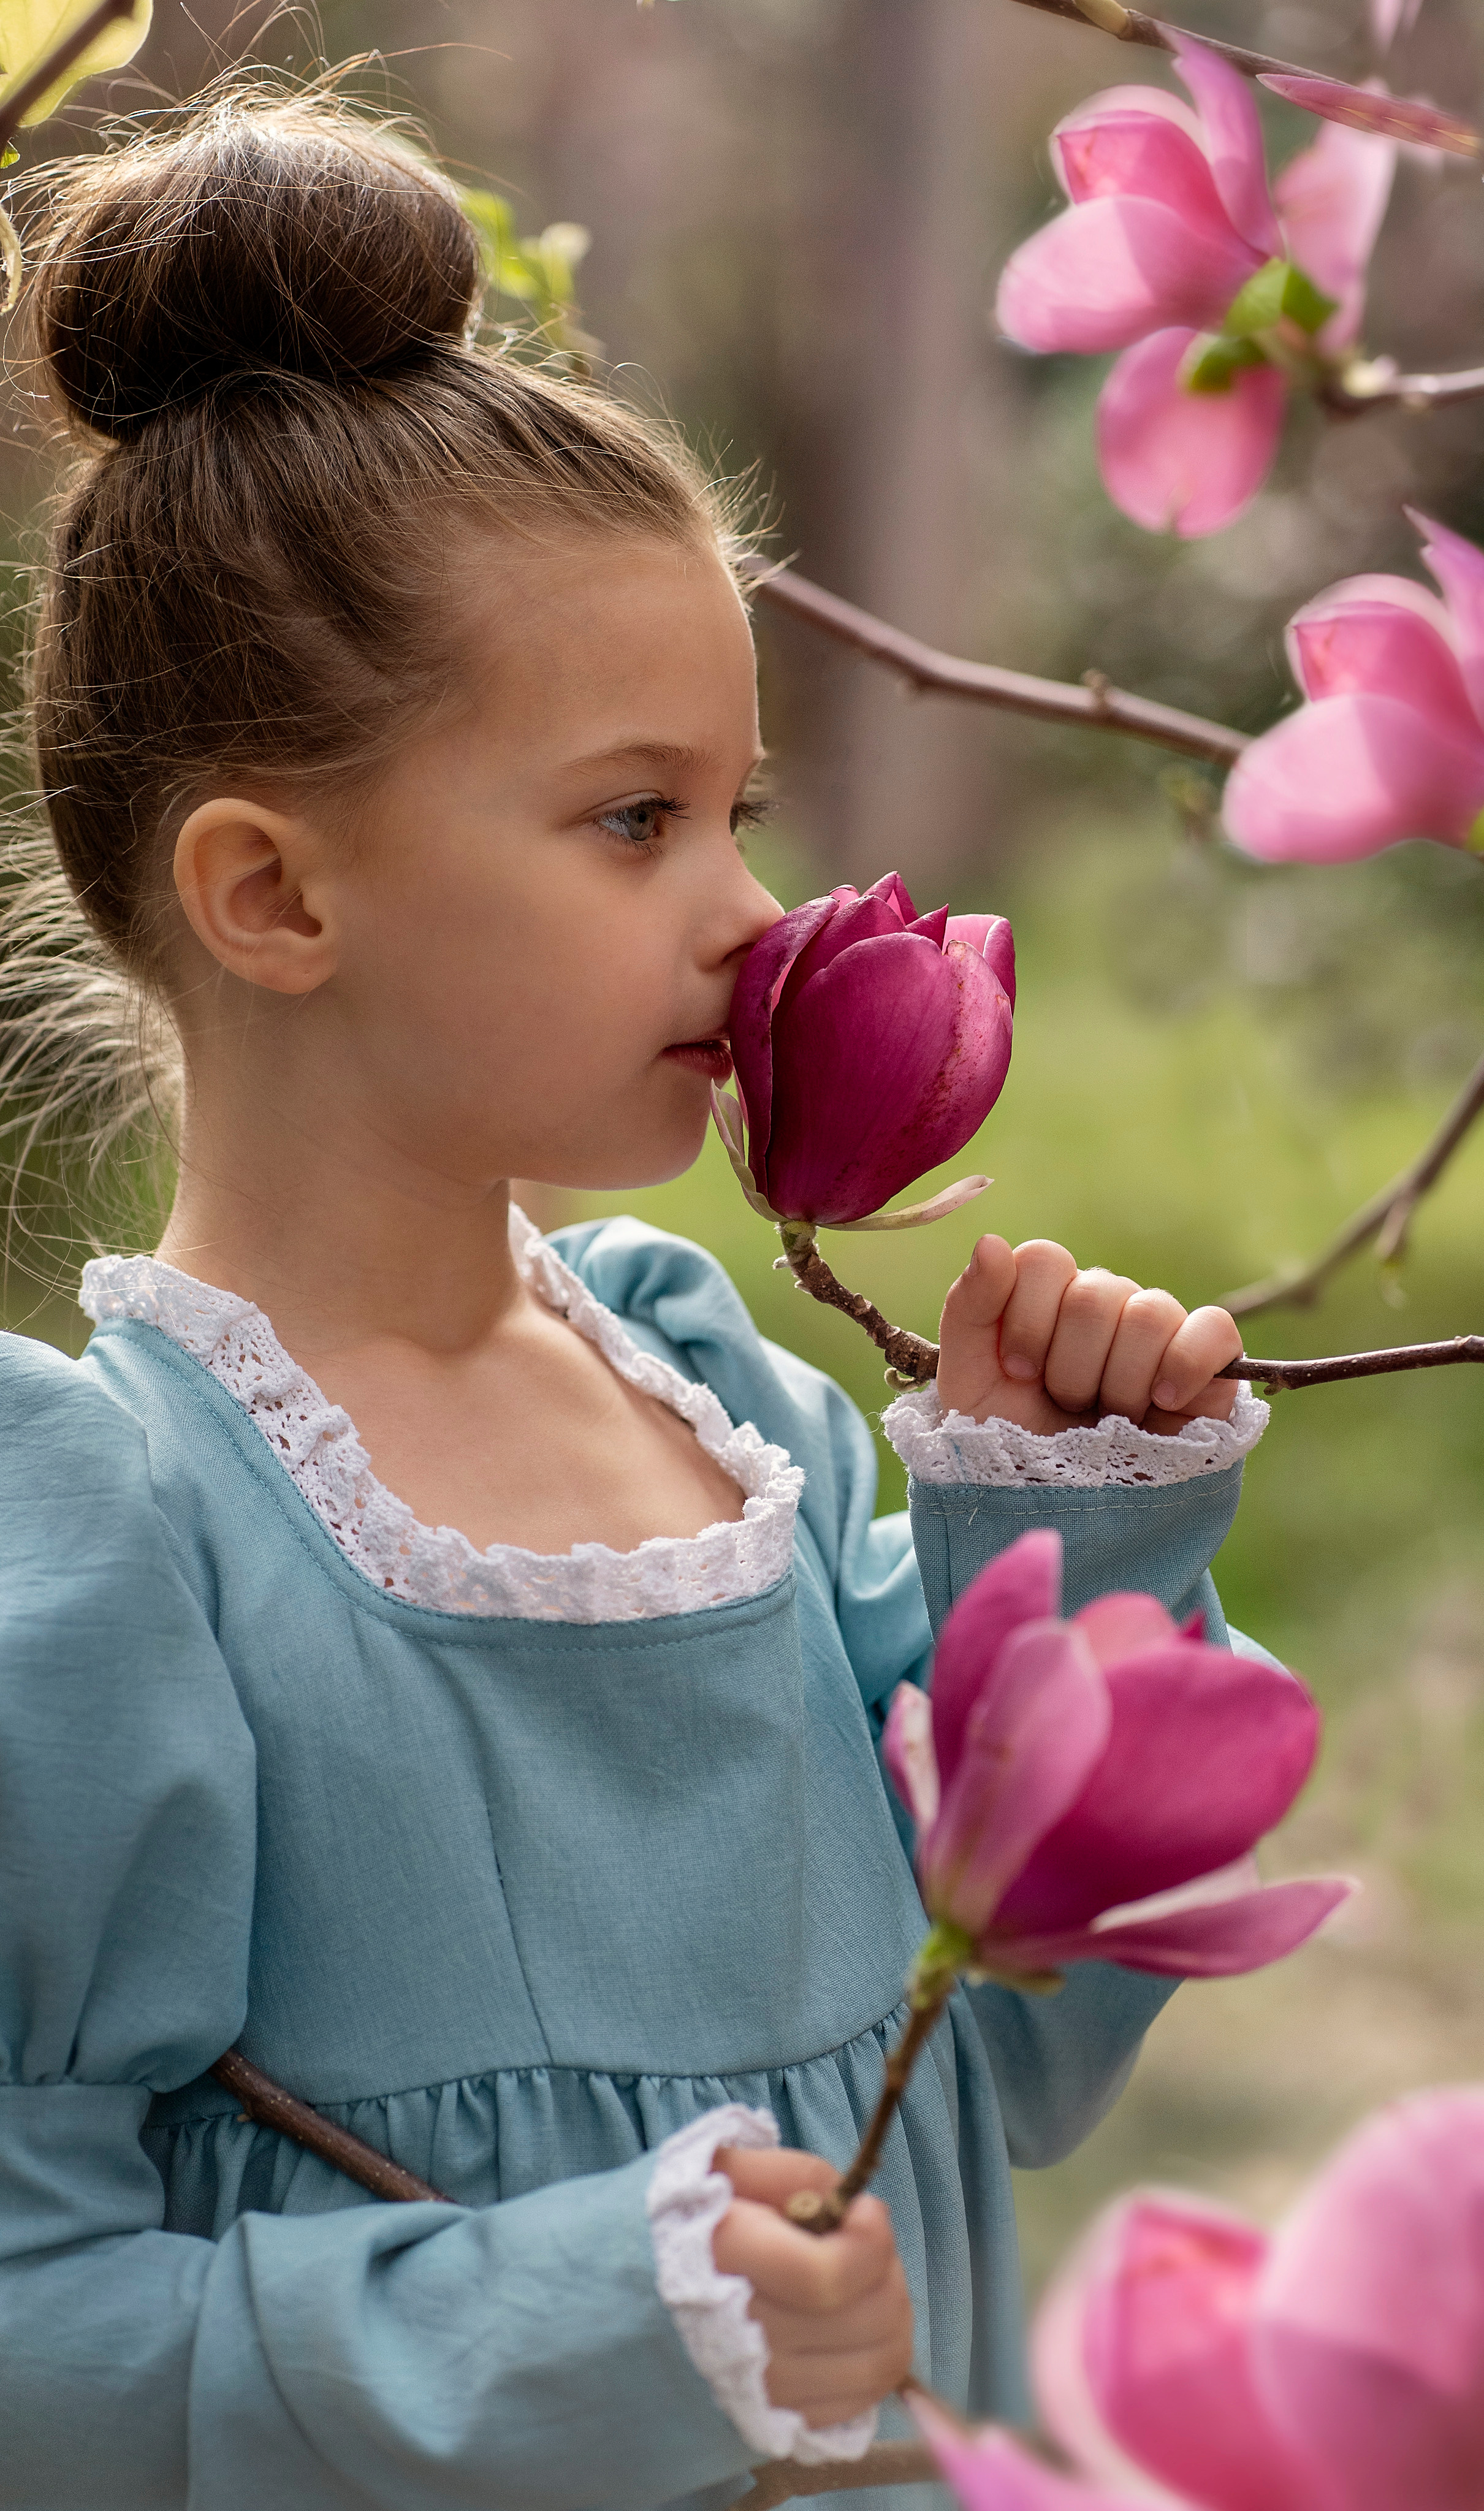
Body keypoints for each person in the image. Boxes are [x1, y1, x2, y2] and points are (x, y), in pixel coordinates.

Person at [0, 89, 1264, 2511]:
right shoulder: (111, 1555)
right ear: (276, 897)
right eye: (632, 817)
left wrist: (1073, 1545)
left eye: (742, 811)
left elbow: (1009, 2058)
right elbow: (39, 2358)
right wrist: (594, 2317)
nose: (749, 919)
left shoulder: (719, 1401)